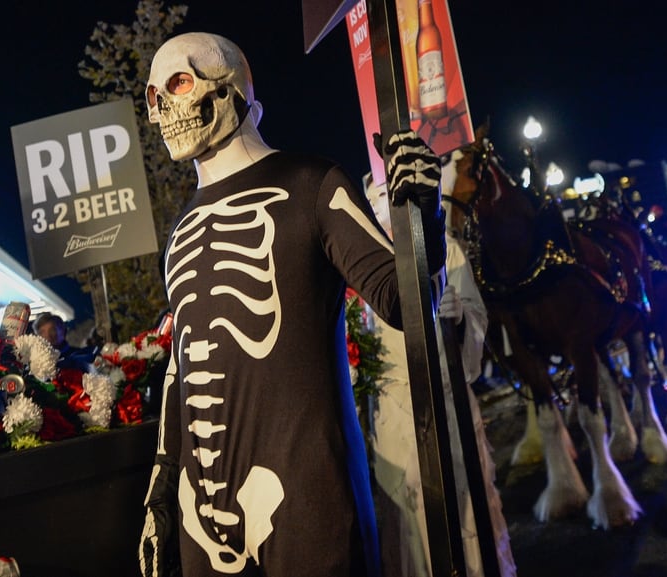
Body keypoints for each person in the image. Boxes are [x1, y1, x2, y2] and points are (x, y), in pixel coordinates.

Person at [138, 32, 446, 577]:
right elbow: (181, 367)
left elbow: (407, 302)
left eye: (179, 83)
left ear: (227, 84)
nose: (164, 107)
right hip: (199, 509)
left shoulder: (312, 184)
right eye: (154, 96)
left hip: (306, 498)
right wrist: (161, 492)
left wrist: (424, 217)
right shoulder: (181, 228)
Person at [364, 159, 516, 577]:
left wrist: (461, 319)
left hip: (446, 403)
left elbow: (476, 325)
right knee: (409, 516)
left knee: (463, 501)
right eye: (377, 202)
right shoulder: (362, 264)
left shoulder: (444, 248)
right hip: (392, 413)